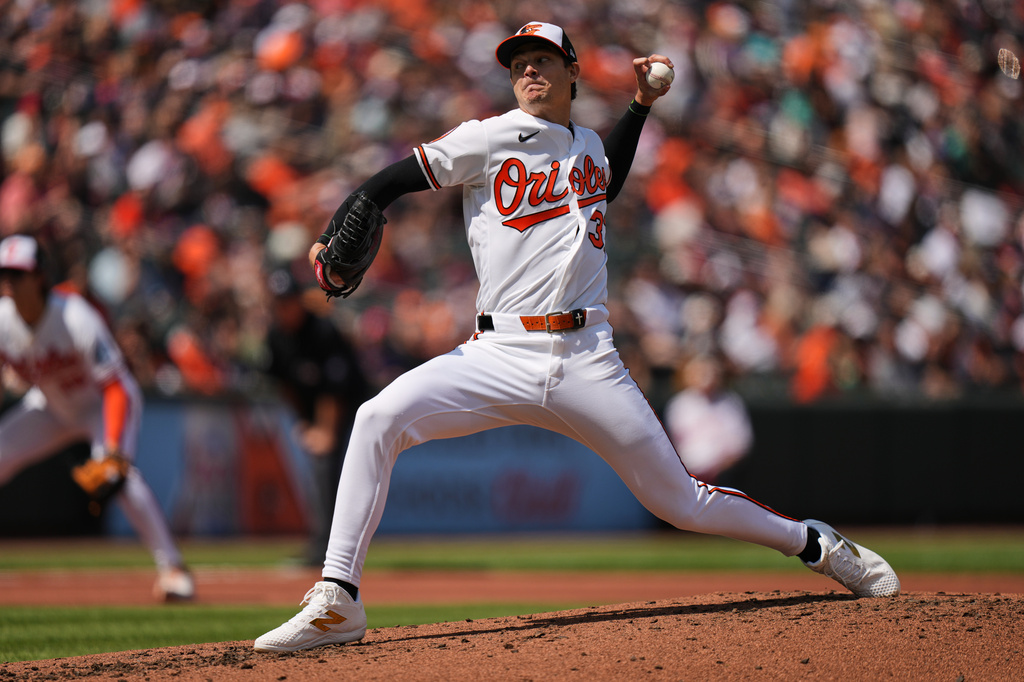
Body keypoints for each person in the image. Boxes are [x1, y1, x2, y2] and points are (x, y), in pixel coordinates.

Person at [254, 22, 899, 653]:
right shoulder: (489, 136)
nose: (528, 71)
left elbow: (607, 176)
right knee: (377, 417)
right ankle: (339, 596)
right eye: (518, 64)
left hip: (588, 357)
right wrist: (335, 228)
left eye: (541, 60)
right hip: (499, 352)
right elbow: (389, 182)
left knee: (681, 503)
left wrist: (640, 105)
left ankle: (814, 543)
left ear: (572, 72)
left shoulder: (588, 145)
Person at [0, 234, 194, 602]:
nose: (8, 282)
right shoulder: (3, 320)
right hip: (51, 406)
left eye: (17, 274)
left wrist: (114, 449)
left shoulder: (74, 316)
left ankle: (173, 569)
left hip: (100, 406)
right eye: (3, 274)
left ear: (39, 276)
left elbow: (116, 386)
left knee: (119, 478)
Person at [265, 267, 371, 565]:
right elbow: (285, 385)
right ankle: (325, 544)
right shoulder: (275, 336)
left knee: (327, 468)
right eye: (278, 303)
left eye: (288, 301)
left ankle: (328, 548)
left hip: (350, 404)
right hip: (314, 408)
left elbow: (334, 389)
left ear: (299, 301)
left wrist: (325, 430)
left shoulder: (322, 331)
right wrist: (303, 421)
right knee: (319, 471)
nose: (284, 308)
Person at [663, 353, 753, 485]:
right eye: (700, 372)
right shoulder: (679, 404)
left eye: (710, 372)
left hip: (725, 476)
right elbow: (675, 445)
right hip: (690, 477)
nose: (706, 377)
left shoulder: (731, 402)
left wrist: (721, 465)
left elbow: (742, 443)